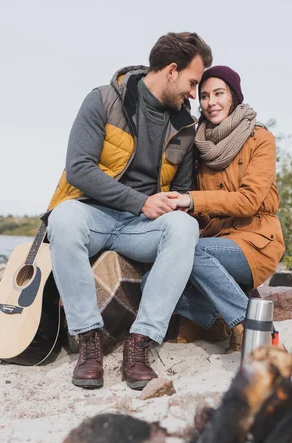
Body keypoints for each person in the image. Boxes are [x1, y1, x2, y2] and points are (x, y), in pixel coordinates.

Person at [46, 32, 213, 390]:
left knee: (183, 227)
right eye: (192, 82)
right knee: (63, 218)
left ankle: (139, 344)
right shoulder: (104, 100)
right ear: (171, 70)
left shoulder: (185, 126)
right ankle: (88, 340)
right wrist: (139, 201)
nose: (194, 94)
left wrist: (172, 205)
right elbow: (79, 168)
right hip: (94, 214)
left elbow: (181, 190)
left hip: (140, 226)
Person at [174, 66, 285, 352]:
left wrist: (193, 199)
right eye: (205, 96)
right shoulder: (199, 146)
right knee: (156, 277)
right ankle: (215, 321)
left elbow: (249, 200)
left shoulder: (260, 139)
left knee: (192, 253)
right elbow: (201, 213)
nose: (211, 103)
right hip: (216, 240)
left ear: (233, 96)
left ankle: (250, 327)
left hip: (255, 241)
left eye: (219, 94)